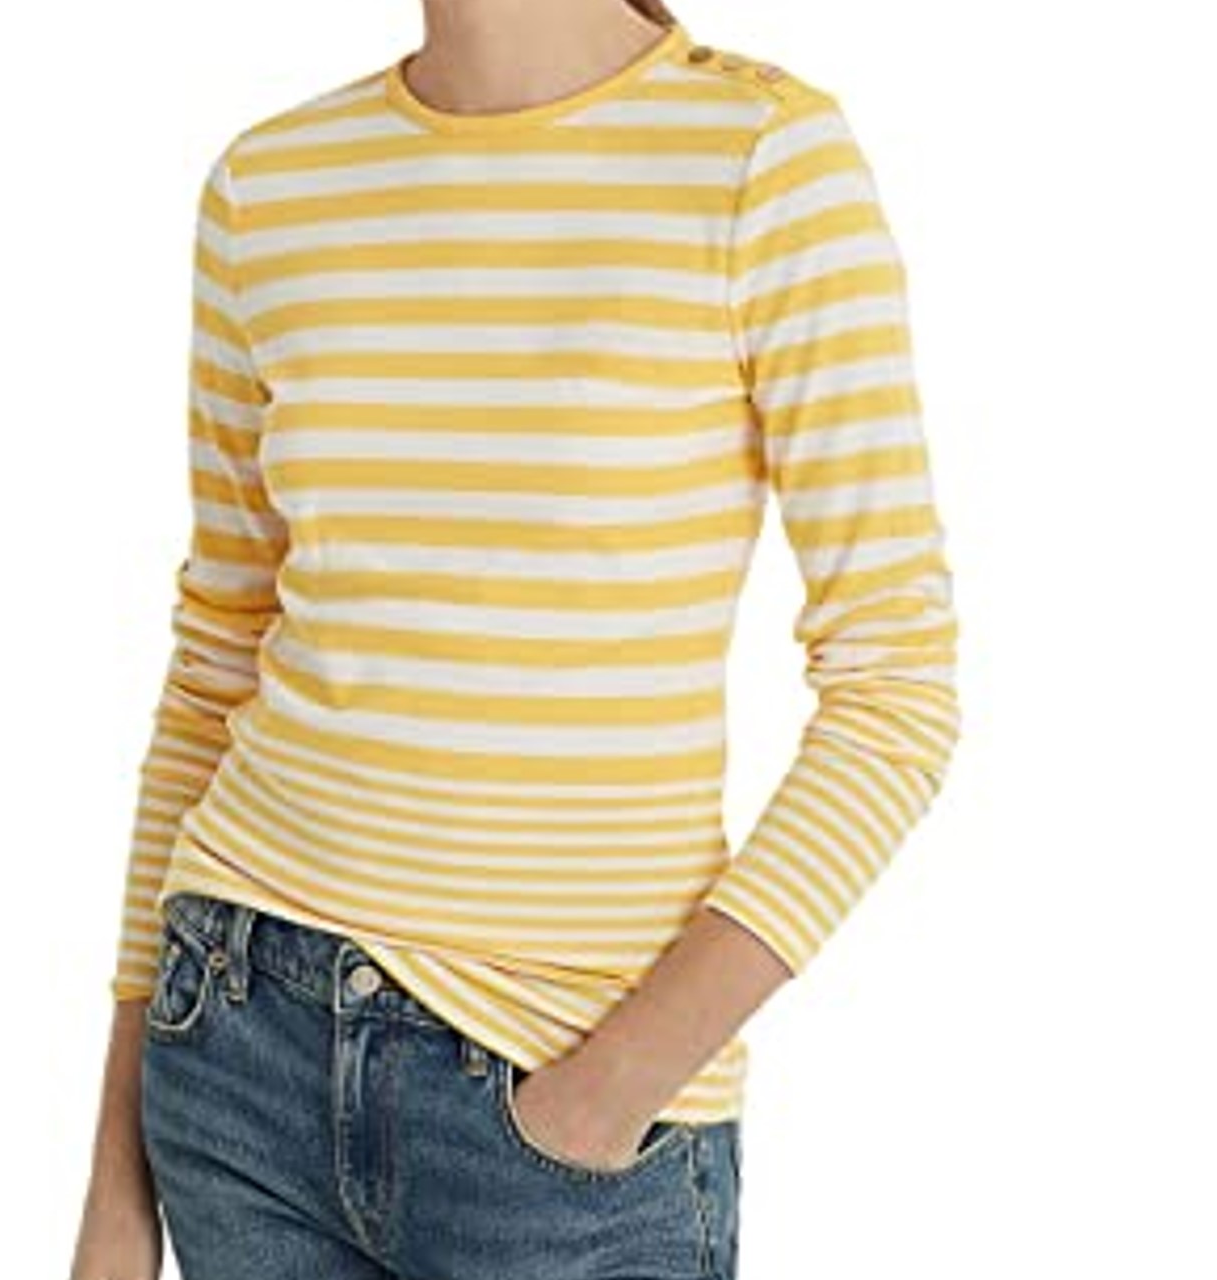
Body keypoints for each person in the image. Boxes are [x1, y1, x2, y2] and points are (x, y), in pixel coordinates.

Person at [70, 1, 961, 1276]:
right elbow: (218, 657)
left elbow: (895, 685)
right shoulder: (269, 187)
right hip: (238, 1044)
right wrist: (115, 1185)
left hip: (568, 1108)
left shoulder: (759, 159)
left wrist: (612, 1086)